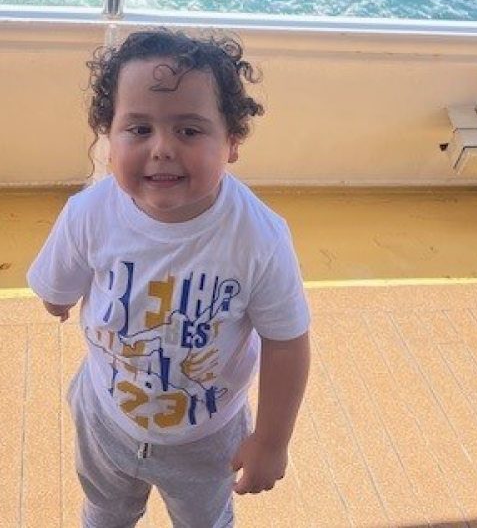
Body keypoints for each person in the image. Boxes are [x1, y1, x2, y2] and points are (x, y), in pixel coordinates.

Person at [27, 28, 311, 528]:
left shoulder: (258, 237)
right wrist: (57, 300)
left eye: (189, 130)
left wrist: (270, 441)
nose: (161, 148)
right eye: (138, 129)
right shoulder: (89, 214)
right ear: (107, 137)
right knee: (105, 509)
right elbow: (56, 292)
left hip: (208, 438)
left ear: (233, 142)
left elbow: (286, 342)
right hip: (106, 418)